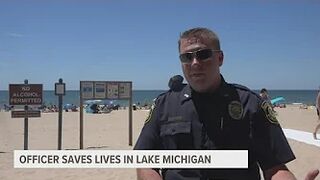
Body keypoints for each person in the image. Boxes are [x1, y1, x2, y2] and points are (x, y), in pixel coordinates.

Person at [134, 27, 319, 180]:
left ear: (220, 58)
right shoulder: (164, 104)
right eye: (187, 57)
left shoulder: (250, 104)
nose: (195, 63)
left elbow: (275, 168)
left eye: (203, 54)